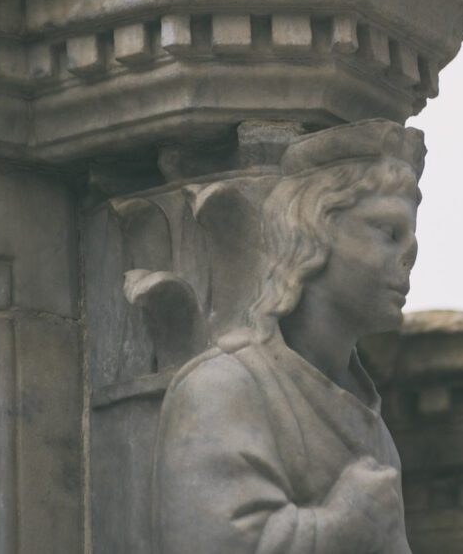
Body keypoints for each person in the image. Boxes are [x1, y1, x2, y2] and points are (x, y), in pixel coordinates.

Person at [152, 119, 424, 554]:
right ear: (313, 234)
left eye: (411, 239)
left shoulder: (374, 429)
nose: (409, 256)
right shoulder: (224, 390)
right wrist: (338, 525)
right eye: (389, 233)